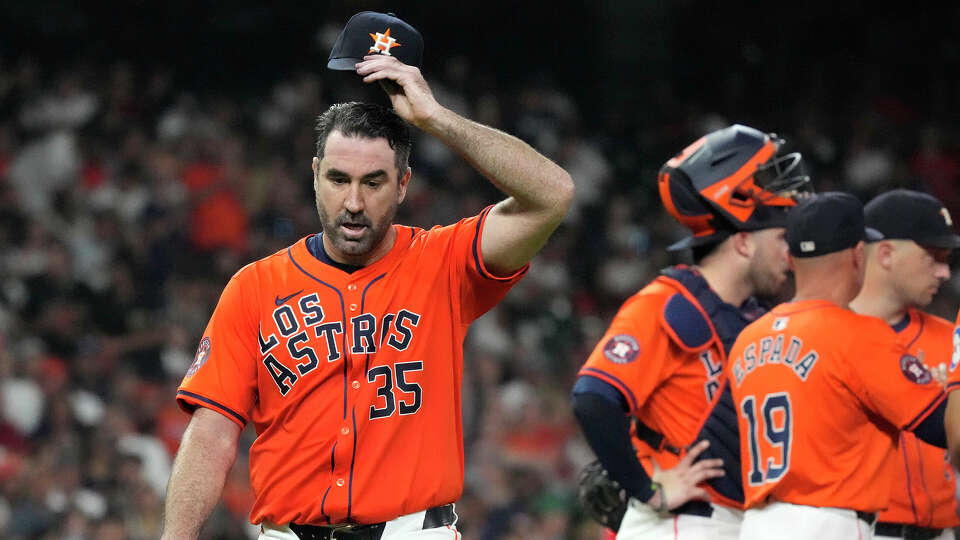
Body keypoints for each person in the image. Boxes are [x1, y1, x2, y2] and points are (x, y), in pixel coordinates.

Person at [160, 15, 574, 540]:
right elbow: (212, 434)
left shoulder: (443, 260)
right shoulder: (254, 287)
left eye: (373, 182)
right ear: (315, 175)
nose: (353, 203)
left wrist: (438, 119)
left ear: (403, 184)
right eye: (338, 179)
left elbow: (552, 195)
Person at [571, 124, 811, 539]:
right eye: (780, 237)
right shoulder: (667, 303)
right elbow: (593, 398)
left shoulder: (756, 317)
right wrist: (648, 490)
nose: (787, 252)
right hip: (683, 522)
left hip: (734, 522)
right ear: (742, 243)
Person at [729, 192, 949, 540]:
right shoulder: (859, 334)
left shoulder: (748, 338)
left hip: (758, 524)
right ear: (859, 256)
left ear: (790, 257)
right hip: (830, 524)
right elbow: (942, 429)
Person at [850, 189, 960, 540]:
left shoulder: (951, 338)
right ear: (885, 253)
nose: (945, 273)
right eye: (934, 257)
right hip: (862, 530)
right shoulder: (827, 337)